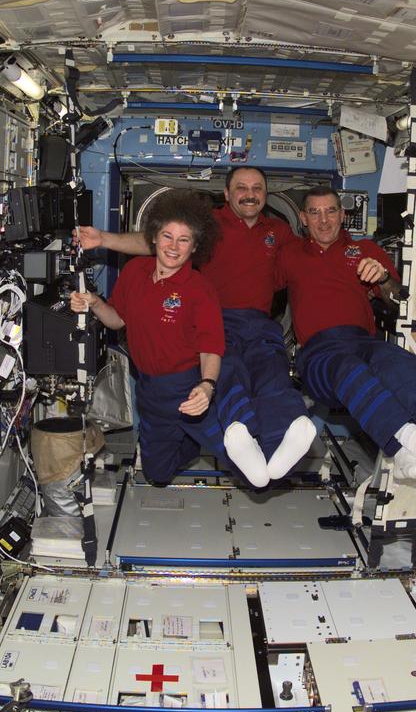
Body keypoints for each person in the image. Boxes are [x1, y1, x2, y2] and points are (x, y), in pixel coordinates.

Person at [76, 167, 314, 480]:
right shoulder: (149, 265)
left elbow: (307, 257)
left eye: (257, 188)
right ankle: (199, 438)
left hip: (229, 346)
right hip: (166, 374)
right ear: (227, 193)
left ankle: (276, 438)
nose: (250, 194)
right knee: (158, 475)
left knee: (261, 379)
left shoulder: (275, 235)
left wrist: (206, 384)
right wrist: (101, 253)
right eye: (241, 187)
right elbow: (124, 302)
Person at [276, 186, 416, 480]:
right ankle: (411, 442)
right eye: (314, 212)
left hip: (362, 340)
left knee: (401, 362)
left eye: (330, 211)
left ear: (342, 215)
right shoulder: (288, 254)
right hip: (317, 352)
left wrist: (384, 277)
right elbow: (253, 285)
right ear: (303, 218)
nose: (323, 220)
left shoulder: (366, 251)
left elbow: (395, 300)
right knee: (348, 368)